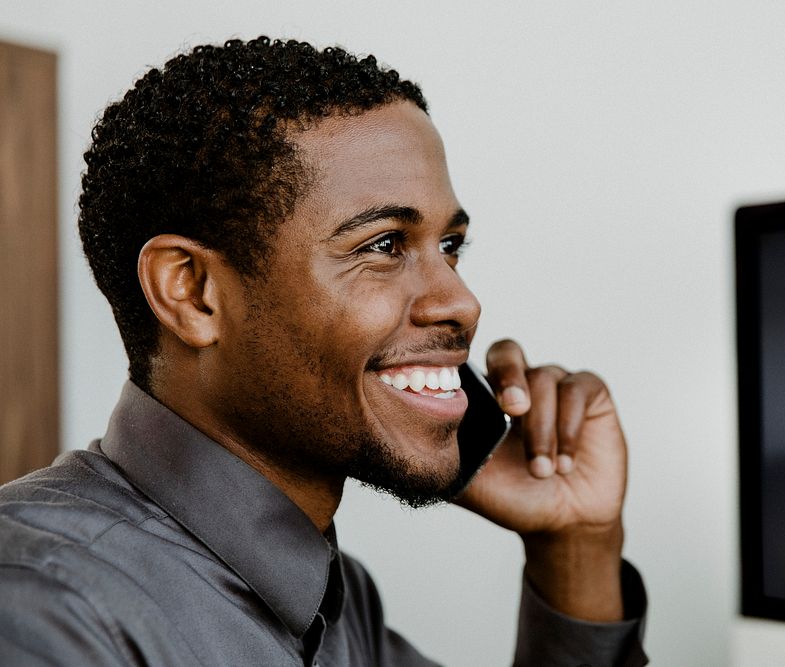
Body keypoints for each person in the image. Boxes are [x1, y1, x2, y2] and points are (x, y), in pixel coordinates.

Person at [0, 37, 647, 666]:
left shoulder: (330, 593)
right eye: (383, 245)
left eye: (450, 247)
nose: (462, 301)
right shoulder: (40, 604)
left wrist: (576, 544)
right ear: (193, 293)